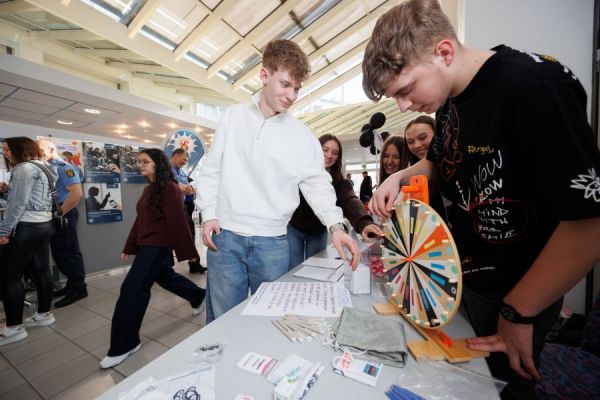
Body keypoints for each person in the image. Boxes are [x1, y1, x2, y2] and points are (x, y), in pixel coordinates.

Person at [362, 1, 600, 398]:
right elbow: (438, 161)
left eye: (405, 90)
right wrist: (401, 176)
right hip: (468, 280)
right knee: (463, 385)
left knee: (502, 390)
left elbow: (589, 223)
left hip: (518, 292)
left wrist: (517, 311)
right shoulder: (450, 101)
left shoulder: (535, 87)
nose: (403, 106)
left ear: (444, 52)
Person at [194, 39, 359, 323]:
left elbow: (317, 184)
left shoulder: (301, 135)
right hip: (226, 236)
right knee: (222, 319)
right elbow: (212, 170)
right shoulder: (233, 117)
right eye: (285, 85)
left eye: (297, 88)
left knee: (272, 321)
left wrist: (335, 226)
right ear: (264, 75)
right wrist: (208, 213)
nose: (291, 95)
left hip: (273, 242)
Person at [100, 148, 205, 369]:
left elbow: (178, 221)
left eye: (145, 162)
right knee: (165, 277)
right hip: (147, 245)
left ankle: (125, 343)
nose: (141, 165)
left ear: (158, 164)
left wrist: (189, 252)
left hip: (158, 246)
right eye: (139, 162)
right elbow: (141, 221)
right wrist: (130, 245)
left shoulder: (170, 188)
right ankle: (197, 295)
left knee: (132, 290)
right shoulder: (149, 189)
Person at [288, 134, 382, 269]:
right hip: (294, 228)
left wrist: (364, 223)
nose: (329, 155)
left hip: (318, 232)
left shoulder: (340, 183)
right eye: (325, 150)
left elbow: (350, 201)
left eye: (335, 153)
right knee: (293, 268)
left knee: (316, 269)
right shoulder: (300, 173)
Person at [0, 137, 57, 346]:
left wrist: (4, 231)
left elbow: (18, 203)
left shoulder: (23, 168)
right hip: (44, 225)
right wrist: (7, 191)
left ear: (20, 148)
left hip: (26, 227)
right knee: (42, 270)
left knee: (9, 277)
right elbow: (34, 198)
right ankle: (44, 314)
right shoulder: (45, 167)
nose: (5, 153)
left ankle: (14, 328)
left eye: (7, 149)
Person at [38, 139, 88, 308]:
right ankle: (71, 285)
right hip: (55, 212)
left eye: (40, 150)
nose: (38, 154)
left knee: (68, 252)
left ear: (51, 149)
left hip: (64, 212)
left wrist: (58, 214)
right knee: (59, 253)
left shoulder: (64, 167)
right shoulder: (47, 167)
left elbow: (76, 194)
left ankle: (79, 288)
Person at [170, 148, 206, 274]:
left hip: (185, 205)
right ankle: (167, 266)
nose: (185, 162)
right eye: (184, 159)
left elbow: (188, 187)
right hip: (176, 207)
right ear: (176, 155)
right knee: (185, 235)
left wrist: (190, 189)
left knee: (190, 234)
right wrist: (186, 188)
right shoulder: (168, 170)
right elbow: (180, 187)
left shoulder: (181, 171)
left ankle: (194, 263)